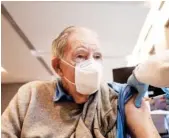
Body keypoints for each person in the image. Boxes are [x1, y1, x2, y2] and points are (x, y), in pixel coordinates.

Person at [1, 26, 160, 138]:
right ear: (58, 67)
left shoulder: (119, 98)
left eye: (97, 57)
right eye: (81, 56)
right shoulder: (30, 95)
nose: (92, 65)